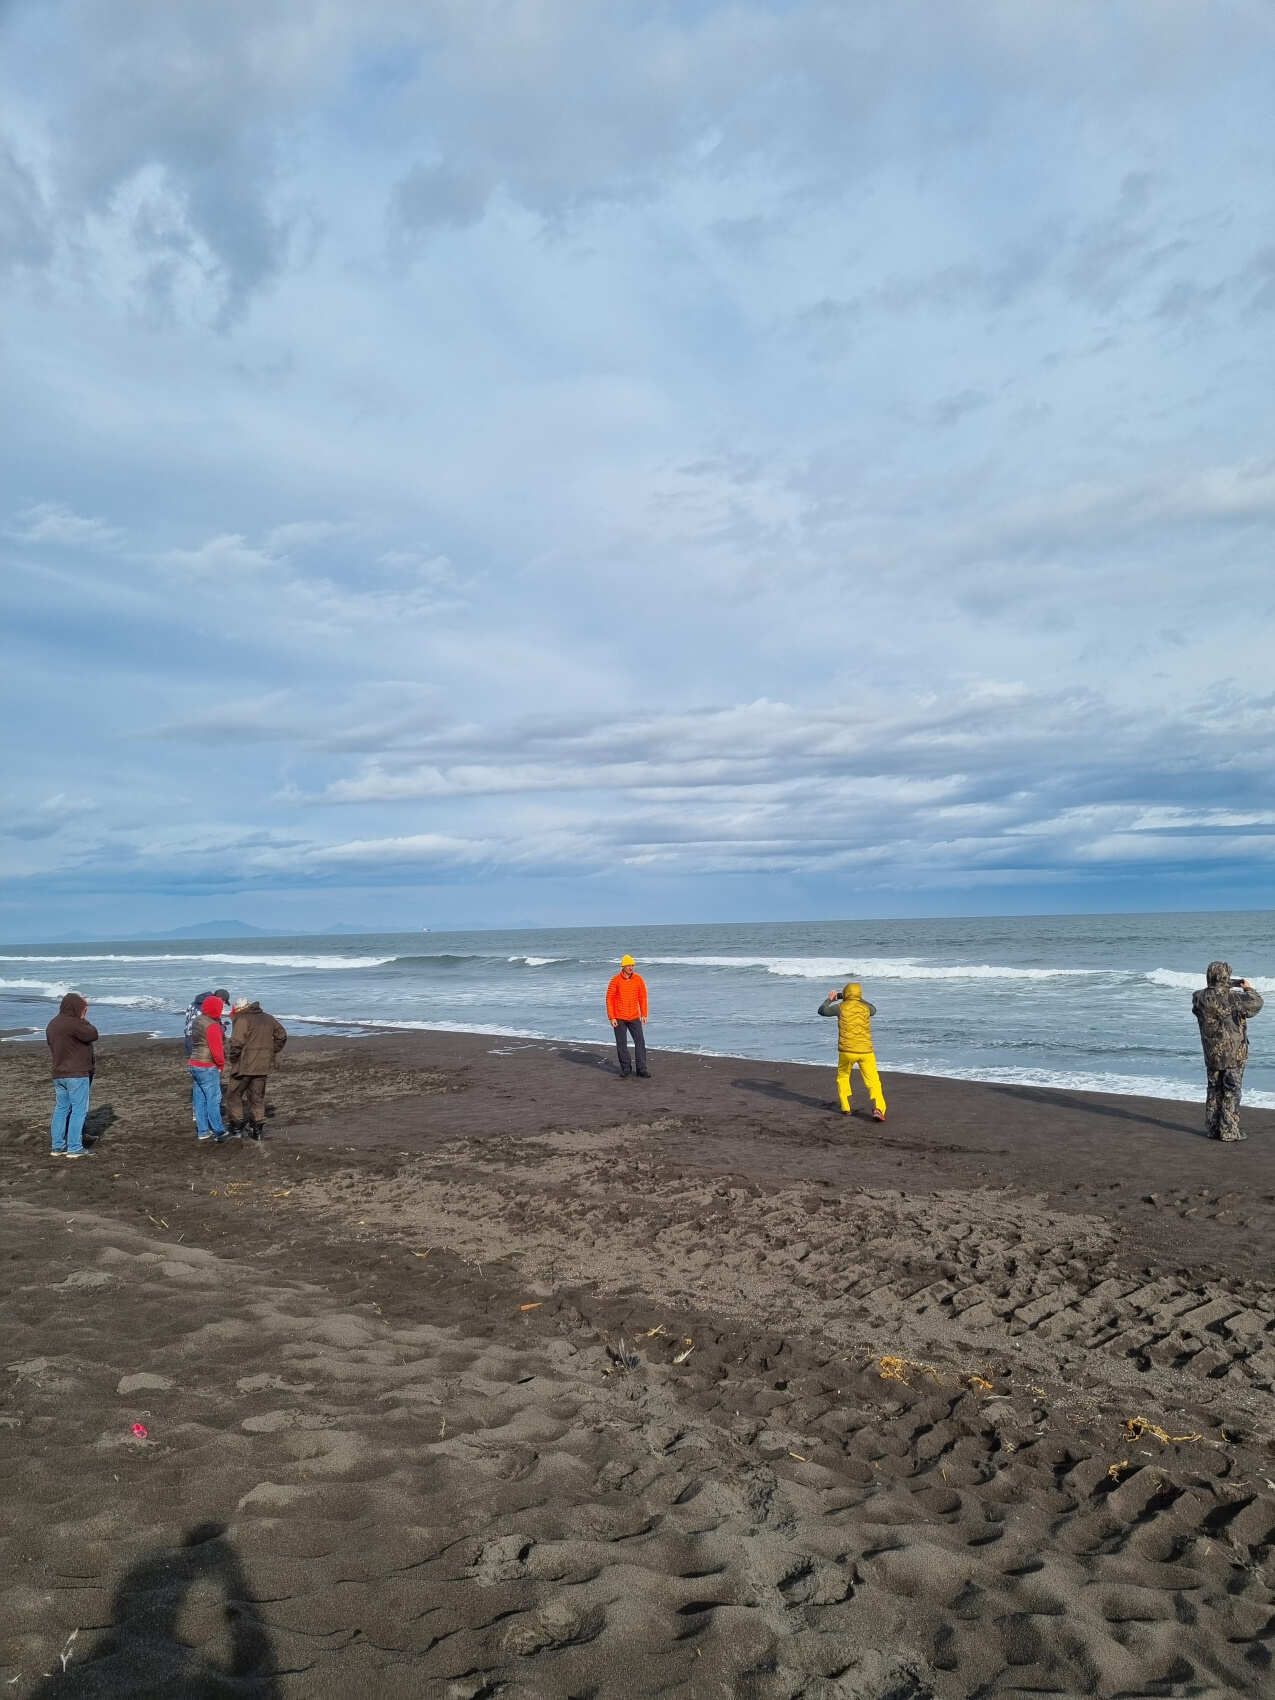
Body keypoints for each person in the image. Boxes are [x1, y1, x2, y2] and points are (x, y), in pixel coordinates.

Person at [1192, 961, 1264, 1142]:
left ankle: (1213, 1128)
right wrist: (1248, 989)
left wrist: (1227, 984)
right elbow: (1256, 1003)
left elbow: (1214, 994)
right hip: (1233, 1053)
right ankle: (1229, 1131)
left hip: (1212, 1053)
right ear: (1225, 977)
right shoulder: (1234, 998)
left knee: (1214, 1089)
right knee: (1232, 1090)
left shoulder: (1199, 998)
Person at [818, 981, 886, 1120]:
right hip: (866, 1052)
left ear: (846, 994)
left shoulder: (840, 1007)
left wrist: (830, 999)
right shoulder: (866, 1009)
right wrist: (858, 998)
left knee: (843, 1077)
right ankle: (879, 1108)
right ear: (859, 994)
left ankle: (845, 1107)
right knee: (873, 1081)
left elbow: (822, 1011)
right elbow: (874, 1009)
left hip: (846, 1051)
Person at [45, 993, 99, 1158]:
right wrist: (83, 1019)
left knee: (61, 1109)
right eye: (84, 1009)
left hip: (59, 1073)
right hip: (76, 1073)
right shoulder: (75, 1023)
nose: (85, 1012)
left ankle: (57, 1146)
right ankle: (75, 1147)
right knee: (78, 1110)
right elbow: (93, 1034)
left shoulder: (52, 1024)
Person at [226, 998, 287, 1141]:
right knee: (257, 1097)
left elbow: (236, 1043)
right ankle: (257, 1130)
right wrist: (271, 1051)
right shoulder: (268, 1018)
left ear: (240, 1009)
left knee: (234, 1095)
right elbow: (282, 1036)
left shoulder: (242, 1019)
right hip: (262, 1066)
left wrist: (233, 1058)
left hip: (244, 1066)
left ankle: (237, 1128)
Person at [188, 994, 228, 1142]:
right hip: (207, 1065)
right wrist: (220, 1065)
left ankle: (203, 1131)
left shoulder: (197, 1021)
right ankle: (218, 1130)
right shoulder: (212, 1026)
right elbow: (217, 1050)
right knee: (213, 1099)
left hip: (194, 1063)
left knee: (200, 1099)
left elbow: (194, 1041)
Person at [605, 954, 650, 1078]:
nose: (631, 968)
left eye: (632, 965)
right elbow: (609, 998)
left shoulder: (638, 979)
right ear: (623, 967)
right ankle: (626, 1069)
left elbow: (643, 997)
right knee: (621, 1044)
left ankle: (641, 1069)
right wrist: (611, 1017)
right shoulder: (615, 980)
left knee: (640, 1042)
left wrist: (644, 1014)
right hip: (619, 1017)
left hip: (634, 1016)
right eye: (628, 965)